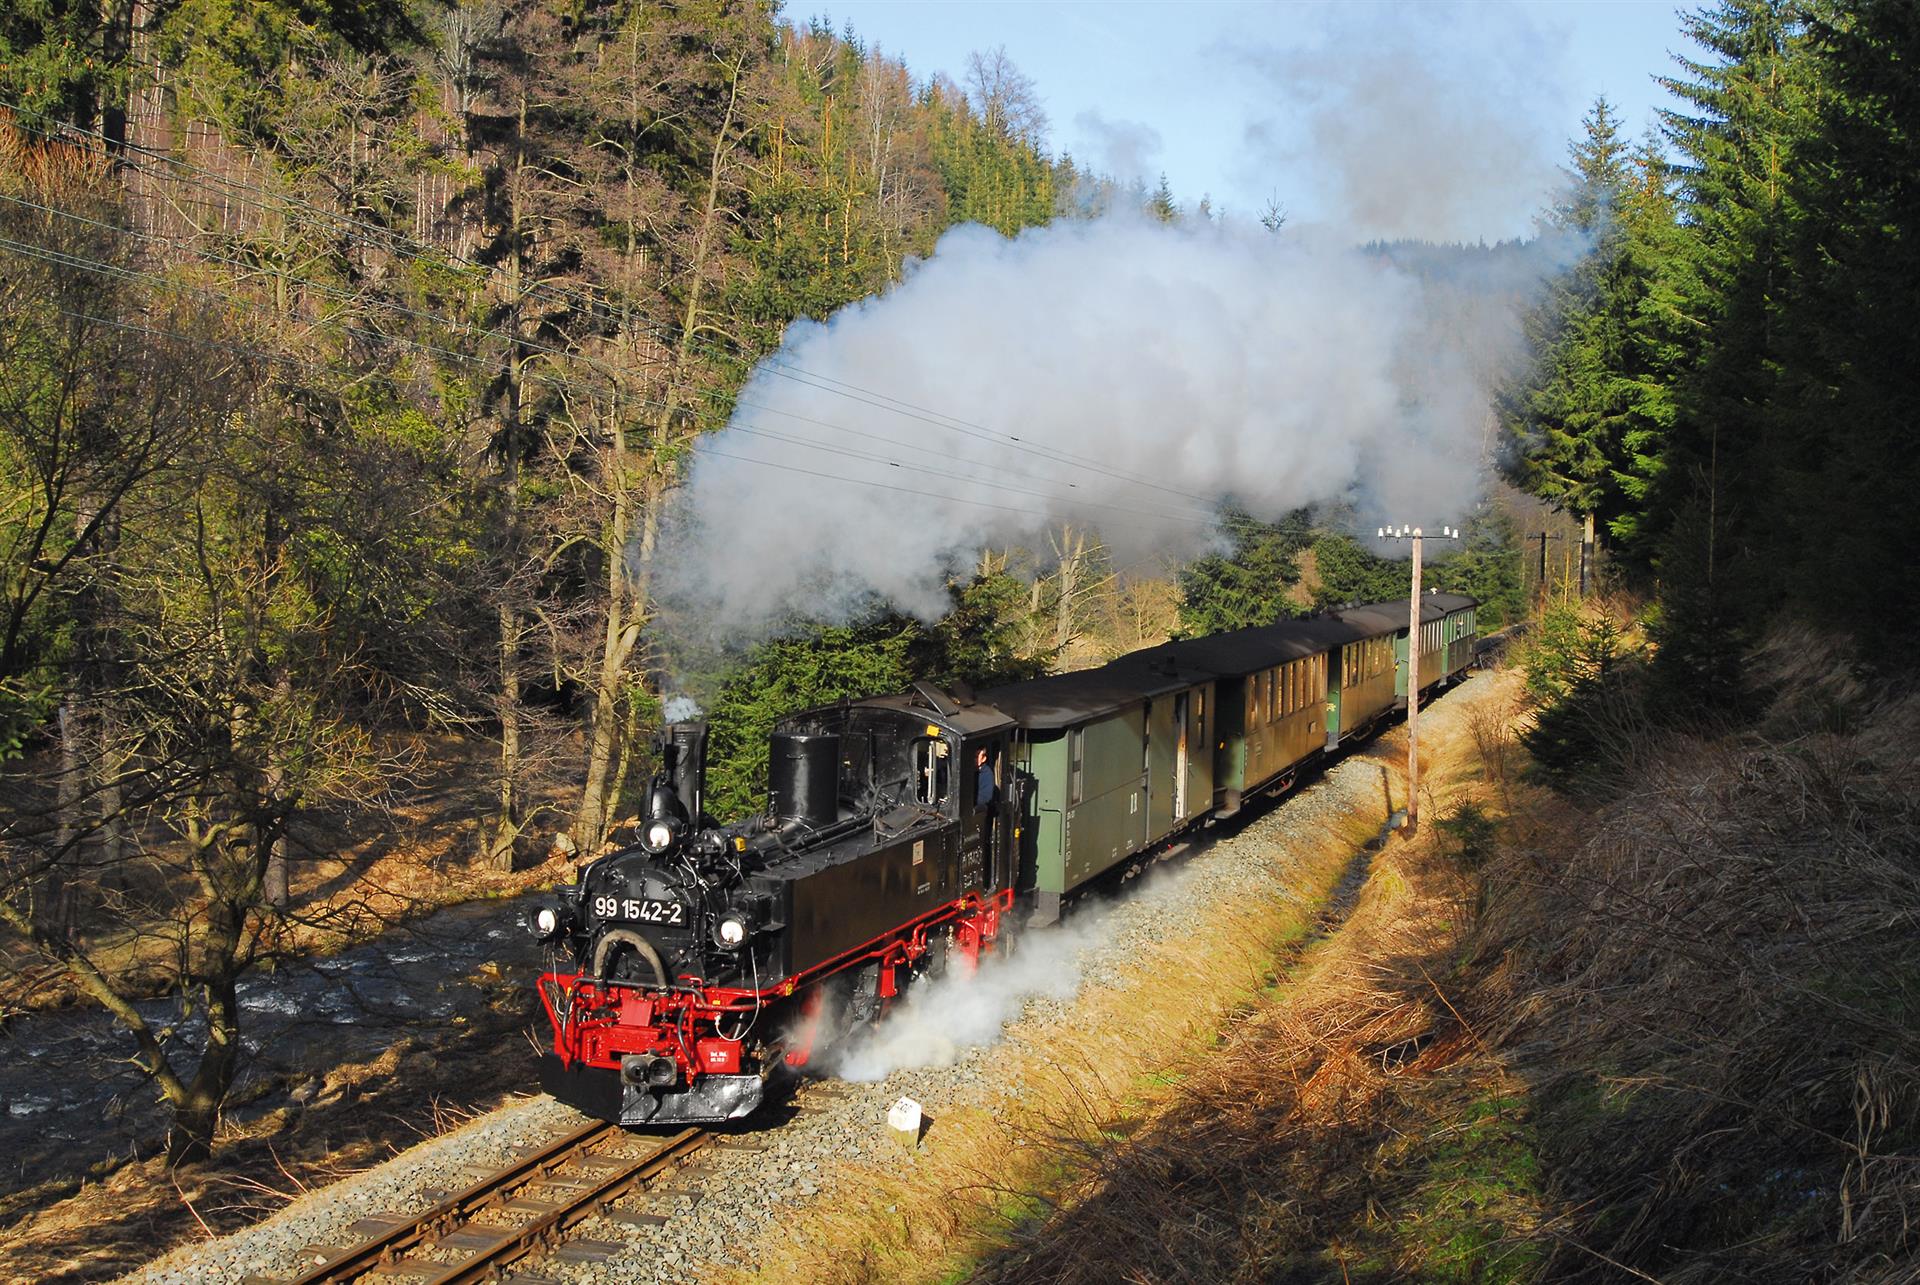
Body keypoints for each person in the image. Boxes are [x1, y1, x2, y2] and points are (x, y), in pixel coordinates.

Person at [974, 747, 996, 856]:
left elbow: (985, 797)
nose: (973, 759)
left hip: (980, 816)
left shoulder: (987, 774)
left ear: (983, 759)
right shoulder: (969, 772)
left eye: (976, 756)